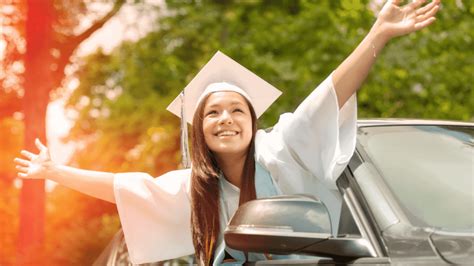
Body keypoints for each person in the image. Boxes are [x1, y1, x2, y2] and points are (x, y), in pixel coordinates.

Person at [14, 0, 440, 265]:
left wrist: (377, 35)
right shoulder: (197, 190)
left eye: (237, 109)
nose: (226, 119)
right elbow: (128, 187)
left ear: (253, 122)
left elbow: (325, 98)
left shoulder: (284, 153)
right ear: (200, 130)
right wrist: (55, 171)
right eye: (212, 112)